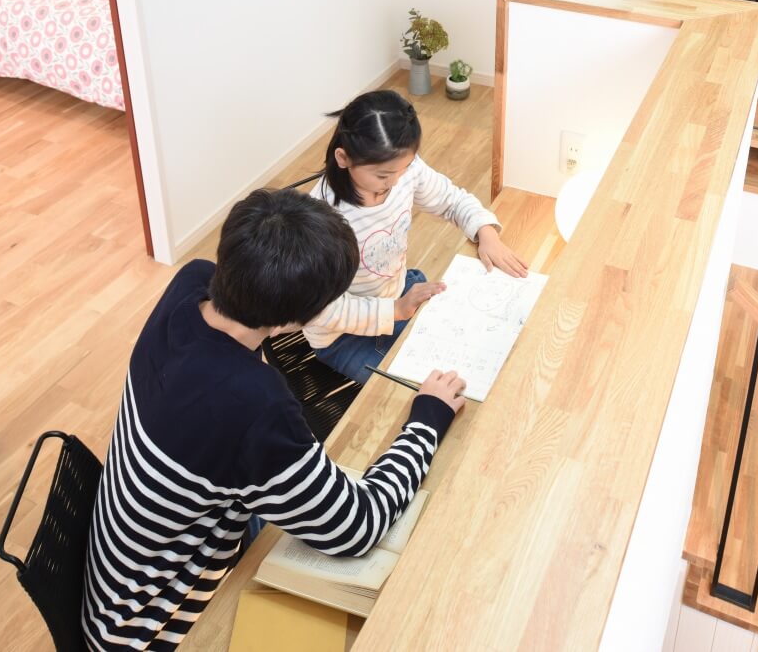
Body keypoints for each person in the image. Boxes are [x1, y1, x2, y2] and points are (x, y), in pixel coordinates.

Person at [81, 188, 466, 649]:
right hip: (150, 632)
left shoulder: (191, 283)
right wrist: (427, 420)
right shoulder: (253, 403)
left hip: (117, 588)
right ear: (294, 321)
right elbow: (355, 528)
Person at [305, 90, 528, 382]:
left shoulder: (400, 170)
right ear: (344, 158)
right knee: (423, 388)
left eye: (404, 168)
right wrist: (395, 310)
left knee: (478, 351)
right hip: (342, 335)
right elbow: (317, 311)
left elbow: (451, 200)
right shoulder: (320, 219)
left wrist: (486, 232)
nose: (396, 181)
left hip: (399, 292)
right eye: (383, 176)